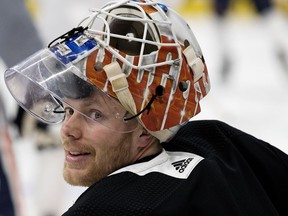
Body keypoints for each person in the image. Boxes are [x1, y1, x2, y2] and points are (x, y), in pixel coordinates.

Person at [3, 0, 288, 215]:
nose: (67, 131)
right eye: (66, 109)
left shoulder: (104, 208)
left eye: (94, 114)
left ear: (145, 126)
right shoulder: (223, 143)